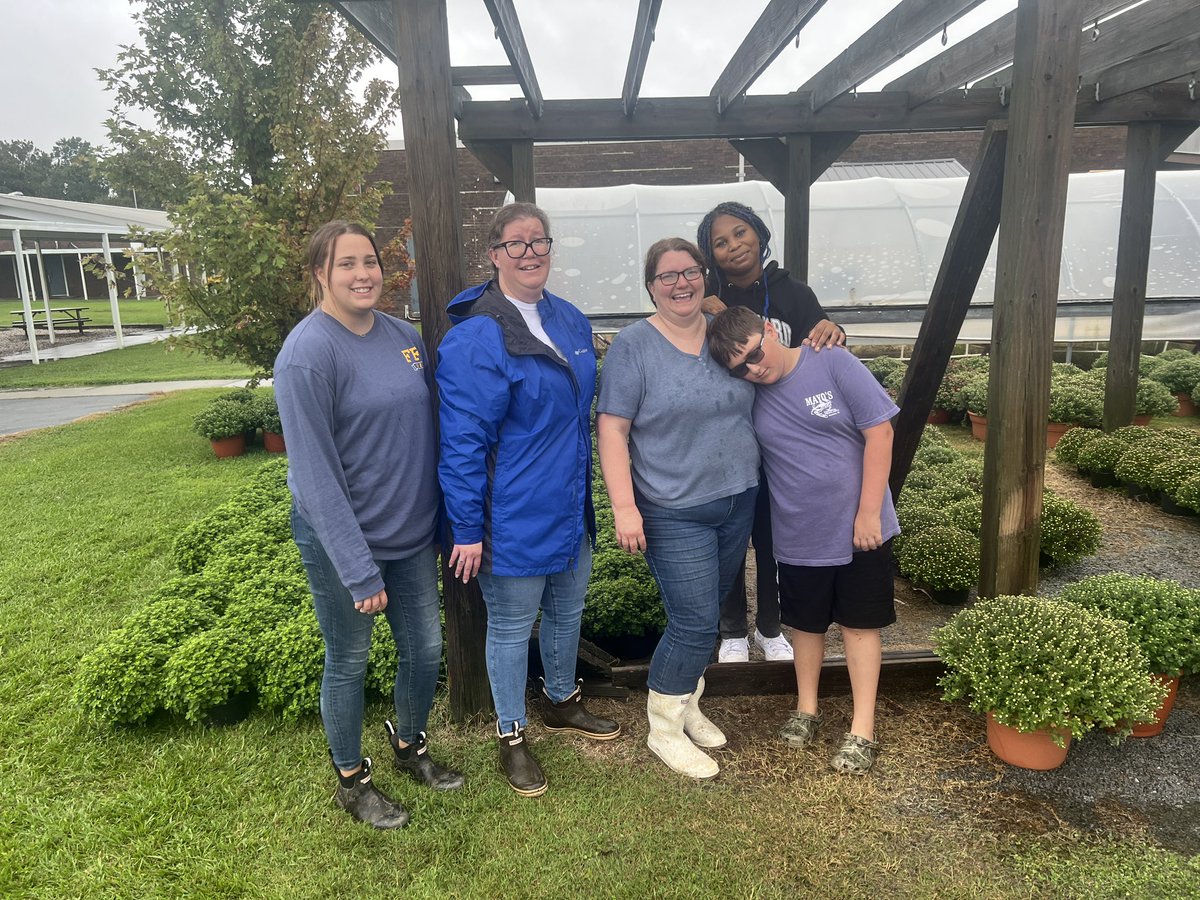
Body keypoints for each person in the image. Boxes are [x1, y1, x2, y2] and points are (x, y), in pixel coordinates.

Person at [275, 221, 464, 830]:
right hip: (342, 541)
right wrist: (358, 570)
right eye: (346, 264)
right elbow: (313, 475)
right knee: (349, 659)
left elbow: (425, 437)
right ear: (320, 276)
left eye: (371, 262)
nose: (363, 274)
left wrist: (445, 523)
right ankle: (352, 779)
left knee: (426, 647)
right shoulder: (308, 354)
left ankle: (410, 745)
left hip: (409, 533)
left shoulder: (404, 337)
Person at [437, 201, 620, 799]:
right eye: (515, 244)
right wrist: (467, 528)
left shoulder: (566, 318)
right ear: (493, 255)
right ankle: (511, 734)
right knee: (513, 626)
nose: (530, 253)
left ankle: (561, 699)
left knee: (568, 611)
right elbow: (463, 443)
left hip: (571, 506)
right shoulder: (476, 339)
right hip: (511, 514)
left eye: (539, 241)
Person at [708, 305, 899, 775]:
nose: (755, 367)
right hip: (797, 532)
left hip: (860, 529)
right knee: (806, 626)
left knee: (859, 625)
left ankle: (862, 729)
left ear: (770, 330)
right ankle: (807, 708)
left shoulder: (831, 360)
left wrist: (869, 511)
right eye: (742, 366)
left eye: (755, 351)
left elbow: (880, 431)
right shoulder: (749, 395)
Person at [596, 237, 759, 780]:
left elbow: (774, 365)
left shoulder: (723, 334)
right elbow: (613, 429)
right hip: (673, 508)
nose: (680, 284)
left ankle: (688, 706)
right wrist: (625, 507)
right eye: (667, 276)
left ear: (704, 277)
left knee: (708, 613)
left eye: (689, 272)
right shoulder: (635, 347)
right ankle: (663, 727)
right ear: (650, 287)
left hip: (738, 497)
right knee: (692, 621)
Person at [696, 201, 846, 664]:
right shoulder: (703, 298)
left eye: (740, 233)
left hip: (784, 437)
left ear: (759, 234)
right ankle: (733, 631)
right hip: (730, 437)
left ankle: (769, 627)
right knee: (731, 537)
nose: (733, 246)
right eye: (720, 242)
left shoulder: (794, 293)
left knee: (773, 536)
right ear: (711, 255)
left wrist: (832, 327)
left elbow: (820, 347)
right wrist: (706, 315)